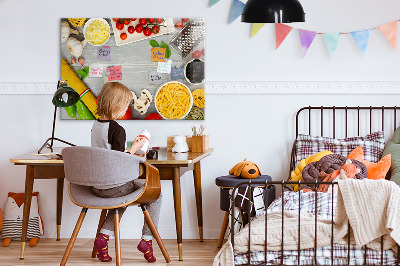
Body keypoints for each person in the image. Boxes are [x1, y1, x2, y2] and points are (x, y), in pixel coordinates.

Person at [91, 82, 161, 263]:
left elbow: (108, 154)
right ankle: (147, 240)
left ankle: (103, 238)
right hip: (114, 186)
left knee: (121, 198)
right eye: (126, 104)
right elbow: (119, 161)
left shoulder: (96, 125)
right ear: (117, 105)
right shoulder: (117, 129)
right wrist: (136, 148)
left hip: (98, 186)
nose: (127, 109)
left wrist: (130, 150)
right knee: (156, 194)